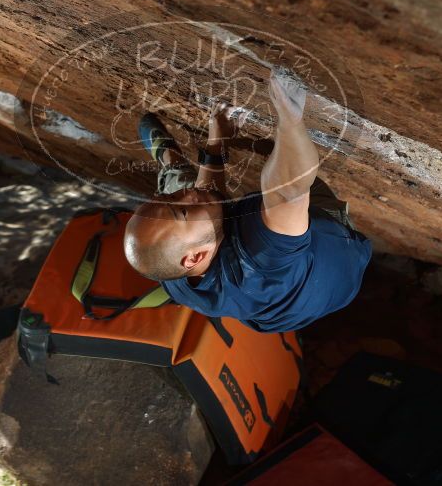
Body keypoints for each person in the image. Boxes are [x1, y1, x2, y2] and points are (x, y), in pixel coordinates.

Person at [123, 70, 371, 332]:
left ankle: (169, 163)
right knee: (282, 181)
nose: (187, 197)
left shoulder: (175, 274)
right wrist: (289, 118)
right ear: (195, 257)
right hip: (335, 259)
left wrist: (216, 143)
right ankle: (172, 168)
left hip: (277, 305)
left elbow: (205, 200)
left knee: (192, 196)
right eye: (182, 211)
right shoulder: (261, 256)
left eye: (168, 200)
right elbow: (289, 188)